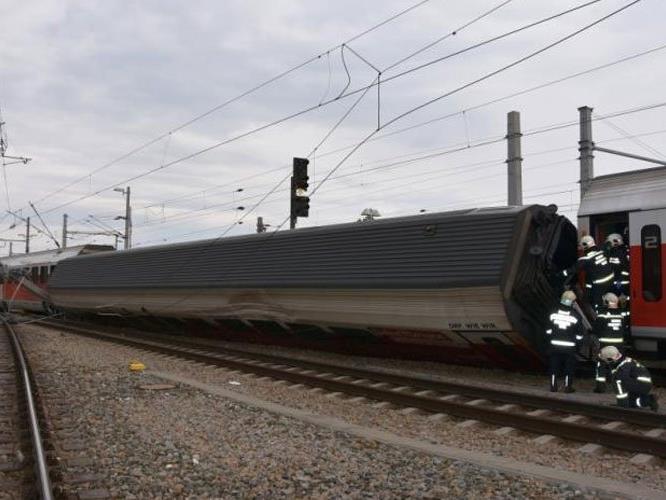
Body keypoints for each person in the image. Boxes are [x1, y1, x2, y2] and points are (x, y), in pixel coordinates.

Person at [545, 290, 584, 393]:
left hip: (554, 345)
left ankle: (553, 386)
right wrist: (578, 345)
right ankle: (567, 387)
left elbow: (548, 330)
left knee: (554, 366)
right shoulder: (576, 315)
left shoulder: (553, 312)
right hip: (569, 347)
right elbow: (580, 335)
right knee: (569, 367)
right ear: (572, 302)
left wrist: (552, 338)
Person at [599, 346, 659, 411]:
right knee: (630, 403)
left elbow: (622, 381)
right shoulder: (625, 360)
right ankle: (649, 400)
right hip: (644, 383)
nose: (605, 362)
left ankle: (622, 404)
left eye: (605, 360)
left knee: (617, 380)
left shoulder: (622, 367)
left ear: (610, 359)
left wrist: (622, 403)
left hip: (640, 384)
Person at [592, 293, 628, 393]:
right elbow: (624, 327)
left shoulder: (603, 313)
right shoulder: (622, 313)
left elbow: (597, 328)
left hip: (605, 342)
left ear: (607, 302)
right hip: (619, 343)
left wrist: (593, 332)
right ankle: (619, 387)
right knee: (618, 364)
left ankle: (600, 387)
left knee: (601, 363)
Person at [569, 236, 615, 312]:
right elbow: (607, 245)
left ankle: (598, 314)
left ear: (585, 245)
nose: (581, 248)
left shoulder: (585, 259)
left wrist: (559, 274)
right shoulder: (601, 250)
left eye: (581, 246)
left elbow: (571, 270)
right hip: (611, 280)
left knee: (597, 302)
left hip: (600, 285)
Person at [605, 233, 631, 307]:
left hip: (620, 281)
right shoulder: (624, 251)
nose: (609, 245)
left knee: (620, 299)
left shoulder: (620, 253)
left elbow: (618, 268)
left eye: (610, 243)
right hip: (621, 281)